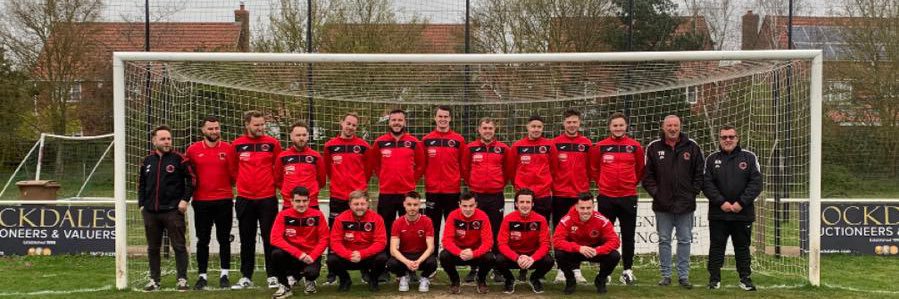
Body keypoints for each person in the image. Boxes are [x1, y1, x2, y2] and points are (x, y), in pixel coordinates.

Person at [642, 115, 704, 289]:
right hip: (663, 205)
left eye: (675, 125)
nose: (672, 128)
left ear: (680, 127)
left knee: (685, 240)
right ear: (663, 127)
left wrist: (692, 193)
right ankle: (666, 275)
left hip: (686, 205)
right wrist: (657, 194)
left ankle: (683, 276)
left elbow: (699, 174)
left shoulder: (692, 147)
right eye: (669, 125)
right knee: (664, 240)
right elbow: (647, 178)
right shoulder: (654, 147)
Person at [703, 125, 762, 291]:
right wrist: (721, 202)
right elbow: (706, 184)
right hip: (718, 213)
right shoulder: (711, 159)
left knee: (742, 248)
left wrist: (740, 203)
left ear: (737, 138)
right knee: (716, 247)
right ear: (719, 139)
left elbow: (756, 184)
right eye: (724, 137)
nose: (727, 140)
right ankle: (714, 279)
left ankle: (745, 279)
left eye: (731, 137)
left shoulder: (749, 158)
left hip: (742, 213)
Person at [229, 110, 283, 289]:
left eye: (262, 124)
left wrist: (270, 185)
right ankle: (246, 276)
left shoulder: (273, 143)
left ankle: (273, 275)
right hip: (244, 199)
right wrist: (244, 185)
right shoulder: (237, 144)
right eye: (256, 125)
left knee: (270, 238)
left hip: (267, 198)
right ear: (247, 125)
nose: (260, 128)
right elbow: (232, 170)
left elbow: (278, 168)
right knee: (247, 238)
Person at [590, 112, 644, 285]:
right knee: (604, 236)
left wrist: (629, 184)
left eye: (621, 125)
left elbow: (640, 170)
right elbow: (593, 169)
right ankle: (604, 271)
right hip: (606, 197)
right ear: (609, 127)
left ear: (626, 126)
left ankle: (627, 270)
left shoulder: (635, 146)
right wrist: (604, 184)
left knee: (628, 236)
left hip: (628, 197)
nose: (618, 128)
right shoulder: (600, 146)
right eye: (615, 125)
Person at [138, 125, 195, 291]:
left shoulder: (179, 159)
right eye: (163, 139)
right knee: (153, 248)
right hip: (151, 212)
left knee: (178, 246)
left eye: (169, 138)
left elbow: (192, 181)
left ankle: (182, 279)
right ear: (154, 141)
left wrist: (184, 200)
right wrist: (142, 204)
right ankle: (154, 280)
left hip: (172, 211)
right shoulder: (147, 161)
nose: (167, 142)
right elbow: (141, 184)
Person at [184, 116, 235, 290]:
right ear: (203, 130)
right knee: (202, 240)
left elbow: (234, 175)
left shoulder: (229, 149)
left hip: (224, 200)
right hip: (201, 202)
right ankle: (202, 276)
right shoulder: (192, 150)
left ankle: (224, 275)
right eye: (210, 129)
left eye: (216, 128)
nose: (214, 131)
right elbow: (188, 176)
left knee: (224, 239)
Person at [322, 112, 371, 284]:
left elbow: (369, 170)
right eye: (348, 123)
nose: (350, 127)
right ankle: (332, 273)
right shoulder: (330, 146)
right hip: (338, 196)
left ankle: (366, 271)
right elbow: (327, 170)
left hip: (359, 199)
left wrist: (359, 190)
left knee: (364, 233)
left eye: (354, 125)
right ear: (341, 122)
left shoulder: (363, 146)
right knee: (334, 234)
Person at [461, 117, 509, 283]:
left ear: (494, 130)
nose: (487, 130)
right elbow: (465, 170)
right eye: (484, 128)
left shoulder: (503, 149)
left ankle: (496, 268)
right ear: (479, 130)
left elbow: (508, 170)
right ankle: (474, 268)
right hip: (477, 196)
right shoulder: (471, 148)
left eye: (490, 128)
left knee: (496, 232)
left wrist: (498, 184)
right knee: (475, 232)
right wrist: (475, 184)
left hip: (496, 196)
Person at [369, 109, 425, 250]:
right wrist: (383, 177)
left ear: (404, 122)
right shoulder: (379, 142)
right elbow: (374, 163)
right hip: (386, 193)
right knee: (386, 228)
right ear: (389, 122)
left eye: (400, 120)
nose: (397, 123)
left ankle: (407, 259)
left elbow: (421, 164)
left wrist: (412, 180)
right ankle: (387, 261)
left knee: (408, 228)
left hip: (407, 193)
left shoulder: (413, 142)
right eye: (394, 120)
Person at [550, 109, 591, 284]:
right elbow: (551, 168)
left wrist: (583, 187)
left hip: (579, 196)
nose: (572, 125)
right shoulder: (555, 143)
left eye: (575, 122)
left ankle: (576, 269)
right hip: (559, 194)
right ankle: (560, 269)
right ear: (563, 123)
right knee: (560, 232)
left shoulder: (586, 143)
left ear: (579, 123)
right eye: (569, 122)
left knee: (578, 234)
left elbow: (591, 168)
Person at [553, 193, 620, 294]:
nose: (585, 211)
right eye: (582, 208)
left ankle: (601, 280)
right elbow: (557, 241)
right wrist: (578, 248)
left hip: (594, 251)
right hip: (576, 251)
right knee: (559, 253)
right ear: (576, 207)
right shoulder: (567, 220)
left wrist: (598, 250)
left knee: (614, 255)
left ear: (593, 207)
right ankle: (570, 280)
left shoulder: (602, 220)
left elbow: (615, 241)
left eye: (588, 208)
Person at [270, 187, 329, 298]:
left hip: (310, 256)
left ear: (309, 201)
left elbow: (324, 238)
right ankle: (284, 286)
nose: (301, 204)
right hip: (293, 256)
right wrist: (299, 254)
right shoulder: (283, 215)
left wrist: (313, 256)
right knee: (276, 254)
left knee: (311, 273)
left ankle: (309, 281)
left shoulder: (317, 215)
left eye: (304, 201)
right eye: (298, 201)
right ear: (291, 201)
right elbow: (275, 238)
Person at [422, 105, 465, 252]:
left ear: (450, 118)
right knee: (432, 227)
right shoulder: (426, 140)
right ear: (435, 118)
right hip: (432, 191)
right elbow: (422, 165)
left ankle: (454, 256)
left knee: (454, 227)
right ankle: (432, 261)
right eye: (440, 116)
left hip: (452, 191)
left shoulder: (458, 140)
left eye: (446, 116)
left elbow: (463, 165)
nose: (443, 119)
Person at [327, 190, 388, 292]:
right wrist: (348, 254)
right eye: (356, 204)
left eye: (362, 204)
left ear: (368, 203)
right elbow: (335, 242)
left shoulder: (377, 218)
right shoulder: (340, 219)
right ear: (350, 204)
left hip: (367, 257)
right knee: (331, 260)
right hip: (349, 257)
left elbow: (381, 242)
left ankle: (373, 280)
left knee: (382, 257)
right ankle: (345, 280)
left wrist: (362, 254)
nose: (359, 207)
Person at [495, 188, 553, 294]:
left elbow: (545, 244)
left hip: (532, 257)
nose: (525, 205)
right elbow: (502, 244)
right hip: (514, 256)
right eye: (521, 202)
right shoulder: (508, 219)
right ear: (516, 204)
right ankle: (509, 279)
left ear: (533, 204)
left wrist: (532, 258)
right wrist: (516, 258)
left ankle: (534, 278)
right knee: (498, 259)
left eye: (528, 202)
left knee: (549, 260)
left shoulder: (541, 219)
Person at [439, 192, 495, 294]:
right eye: (464, 206)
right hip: (459, 253)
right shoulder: (453, 215)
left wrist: (474, 253)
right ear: (459, 204)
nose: (468, 209)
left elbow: (488, 242)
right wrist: (460, 252)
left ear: (476, 204)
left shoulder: (483, 216)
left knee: (490, 257)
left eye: (471, 206)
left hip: (476, 253)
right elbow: (446, 240)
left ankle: (481, 280)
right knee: (443, 255)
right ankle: (455, 280)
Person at [508, 115, 557, 221]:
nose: (536, 129)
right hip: (523, 195)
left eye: (539, 127)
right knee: (521, 227)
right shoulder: (517, 146)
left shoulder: (549, 145)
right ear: (527, 127)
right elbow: (511, 170)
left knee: (543, 226)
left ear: (542, 128)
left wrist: (546, 183)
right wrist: (519, 185)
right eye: (533, 126)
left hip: (543, 194)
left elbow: (554, 168)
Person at [387, 191, 437, 292]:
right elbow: (393, 250)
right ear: (404, 204)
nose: (412, 208)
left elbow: (431, 248)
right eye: (409, 204)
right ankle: (403, 277)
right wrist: (407, 262)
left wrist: (419, 261)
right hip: (405, 255)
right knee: (391, 263)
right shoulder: (397, 223)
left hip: (421, 255)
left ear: (420, 205)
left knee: (432, 262)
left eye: (415, 204)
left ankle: (424, 278)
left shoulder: (427, 221)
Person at [275, 122, 326, 209]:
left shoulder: (316, 156)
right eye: (298, 135)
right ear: (291, 136)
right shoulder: (282, 157)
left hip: (311, 204)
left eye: (304, 135)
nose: (301, 138)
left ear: (307, 136)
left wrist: (311, 192)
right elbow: (278, 180)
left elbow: (322, 181)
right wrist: (289, 191)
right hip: (289, 204)